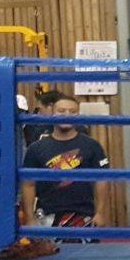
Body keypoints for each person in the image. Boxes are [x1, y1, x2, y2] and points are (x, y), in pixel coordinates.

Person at [20, 96, 111, 235]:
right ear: (53, 113)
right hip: (48, 215)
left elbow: (102, 180)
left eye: (72, 111)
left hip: (83, 216)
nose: (67, 115)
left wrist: (100, 213)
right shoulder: (36, 148)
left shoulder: (92, 146)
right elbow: (28, 185)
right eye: (61, 110)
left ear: (78, 115)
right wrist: (30, 218)